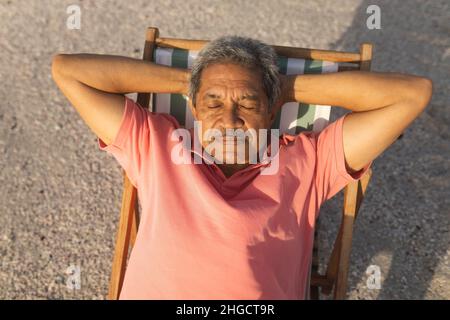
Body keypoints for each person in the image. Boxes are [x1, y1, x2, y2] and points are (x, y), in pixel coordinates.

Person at [51, 35, 432, 299]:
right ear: (195, 109)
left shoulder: (310, 160)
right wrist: (190, 81)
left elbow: (413, 94)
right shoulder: (155, 144)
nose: (230, 119)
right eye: (213, 103)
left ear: (271, 111)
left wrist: (284, 88)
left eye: (249, 104)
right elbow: (67, 69)